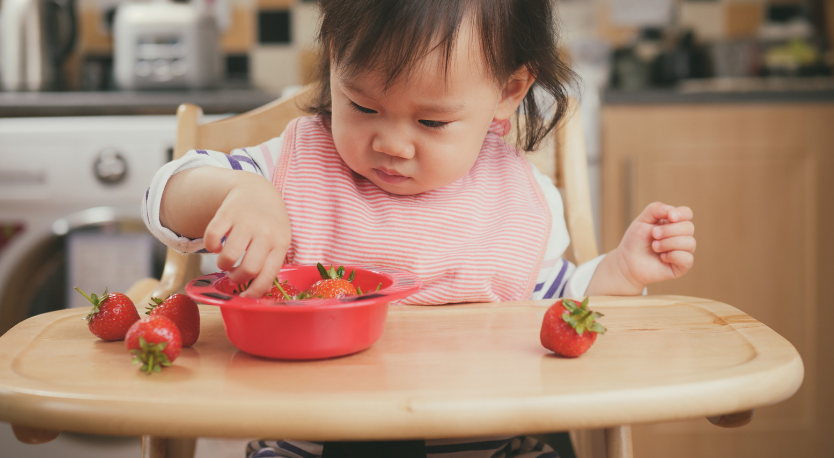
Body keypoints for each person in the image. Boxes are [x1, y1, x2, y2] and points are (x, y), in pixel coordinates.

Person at [142, 0, 696, 456]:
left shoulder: (518, 199)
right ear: (335, 61)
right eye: (361, 106)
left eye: (431, 121)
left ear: (507, 93)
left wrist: (620, 270)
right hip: (311, 444)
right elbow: (165, 198)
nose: (392, 144)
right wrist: (240, 192)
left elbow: (556, 305)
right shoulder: (294, 165)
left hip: (485, 445)